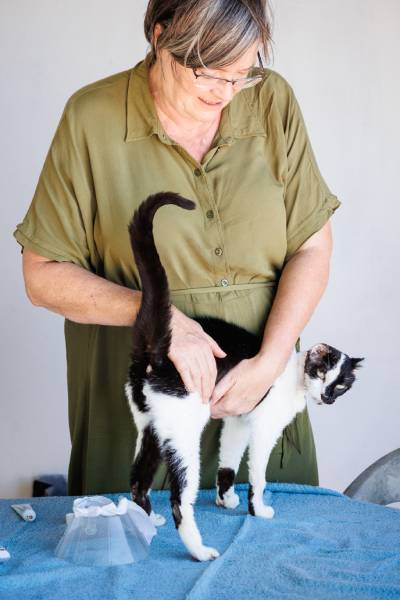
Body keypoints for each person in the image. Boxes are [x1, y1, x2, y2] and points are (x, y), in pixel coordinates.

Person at [14, 0, 340, 495]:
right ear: (161, 38)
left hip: (257, 404)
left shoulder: (272, 100)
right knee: (138, 535)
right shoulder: (91, 118)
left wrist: (271, 362)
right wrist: (159, 316)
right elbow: (42, 274)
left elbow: (312, 247)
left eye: (242, 74)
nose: (225, 93)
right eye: (209, 73)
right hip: (147, 411)